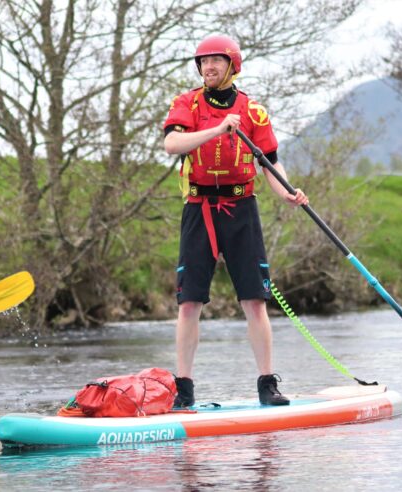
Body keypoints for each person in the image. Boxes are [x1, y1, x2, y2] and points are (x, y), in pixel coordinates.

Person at [163, 34, 309, 407]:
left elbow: (271, 161)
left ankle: (267, 385)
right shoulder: (187, 104)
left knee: (255, 301)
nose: (207, 68)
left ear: (232, 65)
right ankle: (184, 389)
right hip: (199, 210)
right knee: (189, 303)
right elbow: (172, 145)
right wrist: (217, 129)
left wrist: (287, 192)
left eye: (215, 61)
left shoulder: (253, 111)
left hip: (242, 211)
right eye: (202, 62)